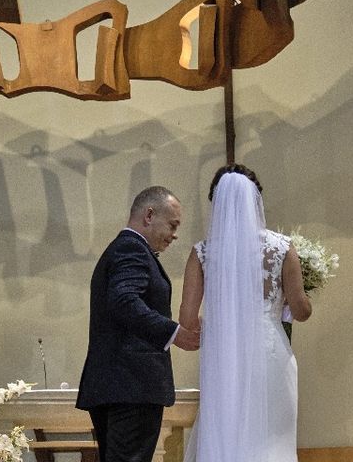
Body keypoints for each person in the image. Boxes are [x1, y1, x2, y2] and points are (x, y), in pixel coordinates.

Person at [179, 164, 312, 462]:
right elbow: (301, 311)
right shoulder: (282, 248)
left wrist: (219, 324)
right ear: (256, 201)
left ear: (217, 202)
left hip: (223, 357)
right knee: (269, 438)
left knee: (227, 430)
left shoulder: (201, 253)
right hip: (269, 354)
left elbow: (187, 320)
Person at [76, 186, 200, 462]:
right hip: (132, 385)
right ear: (149, 215)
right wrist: (173, 332)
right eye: (172, 224)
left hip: (120, 385)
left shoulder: (123, 249)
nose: (174, 234)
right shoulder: (132, 248)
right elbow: (124, 301)